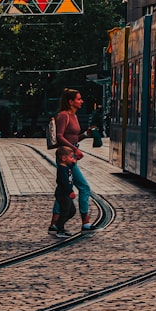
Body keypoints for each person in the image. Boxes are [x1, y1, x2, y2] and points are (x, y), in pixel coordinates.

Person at [50, 88, 94, 232]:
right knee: (84, 187)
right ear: (71, 102)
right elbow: (60, 136)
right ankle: (85, 221)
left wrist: (85, 135)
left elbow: (73, 137)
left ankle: (54, 223)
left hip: (71, 156)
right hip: (65, 156)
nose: (81, 101)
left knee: (63, 190)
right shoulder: (64, 115)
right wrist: (74, 150)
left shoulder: (74, 116)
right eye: (79, 99)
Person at [52, 146, 78, 238]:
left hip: (66, 194)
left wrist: (74, 162)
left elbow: (71, 166)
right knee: (65, 211)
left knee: (72, 211)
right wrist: (70, 191)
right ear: (63, 158)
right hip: (63, 194)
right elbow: (64, 183)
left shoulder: (67, 166)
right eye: (71, 157)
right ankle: (60, 229)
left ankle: (59, 225)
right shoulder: (61, 169)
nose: (72, 159)